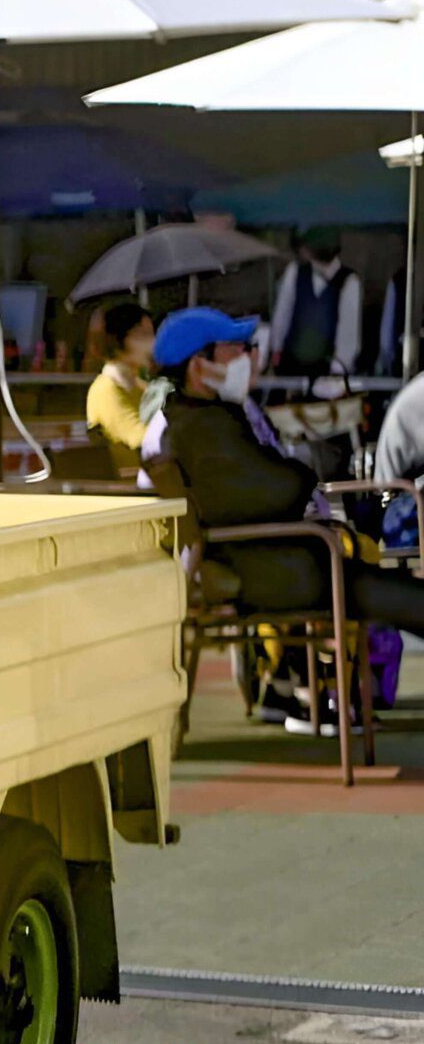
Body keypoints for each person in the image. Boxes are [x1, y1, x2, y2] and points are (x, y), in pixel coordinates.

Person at [148, 306, 424, 729]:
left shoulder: (209, 418)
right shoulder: (199, 428)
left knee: (396, 593)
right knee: (395, 595)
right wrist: (303, 473)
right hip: (279, 570)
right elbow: (271, 491)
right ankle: (319, 691)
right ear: (199, 366)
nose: (249, 358)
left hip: (288, 560)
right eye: (236, 350)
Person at [266, 226, 362, 387]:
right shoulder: (296, 271)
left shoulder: (349, 281)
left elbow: (348, 332)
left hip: (326, 372)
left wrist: (338, 370)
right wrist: (276, 348)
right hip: (290, 366)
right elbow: (282, 314)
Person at [85, 301, 154, 472]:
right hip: (131, 488)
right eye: (142, 335)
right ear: (116, 339)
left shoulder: (140, 386)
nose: (153, 343)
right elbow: (141, 440)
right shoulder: (106, 389)